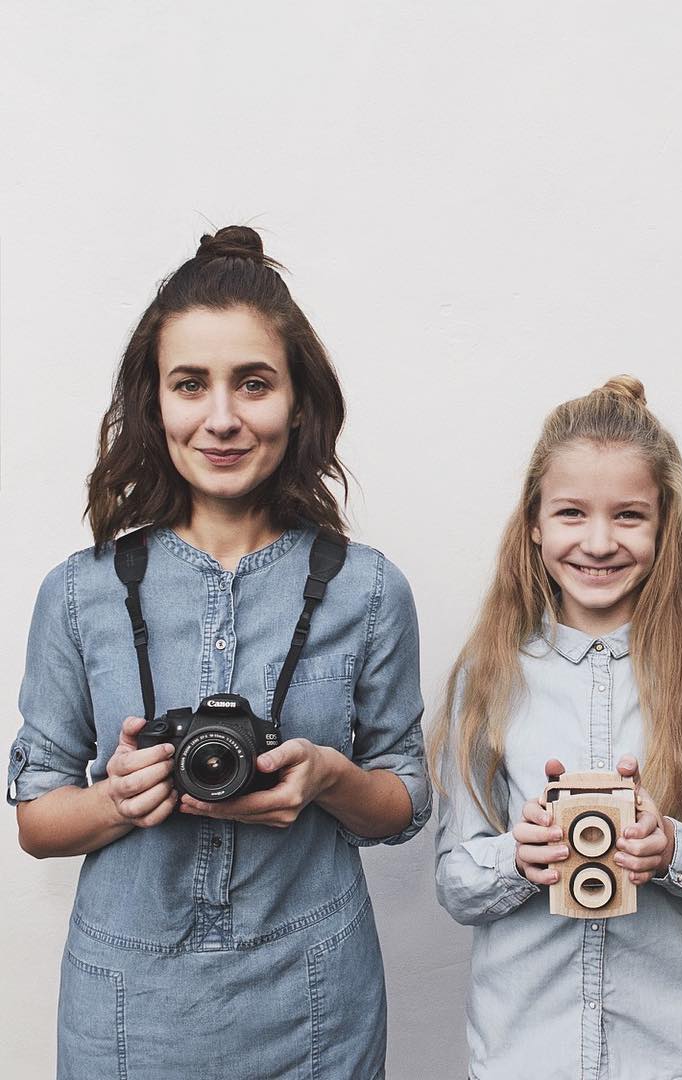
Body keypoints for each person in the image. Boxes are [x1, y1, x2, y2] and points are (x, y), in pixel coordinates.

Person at [7, 226, 430, 1080]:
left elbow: (405, 801)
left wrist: (328, 778)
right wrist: (121, 799)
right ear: (155, 401)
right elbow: (35, 820)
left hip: (316, 996)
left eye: (254, 383)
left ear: (298, 401)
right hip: (126, 1004)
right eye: (191, 385)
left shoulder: (368, 590)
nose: (223, 418)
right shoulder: (81, 593)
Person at [430, 376, 682, 1080]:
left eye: (628, 516)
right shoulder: (488, 671)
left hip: (668, 1056)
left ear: (663, 524)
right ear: (534, 521)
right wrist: (519, 857)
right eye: (571, 513)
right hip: (523, 1055)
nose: (597, 541)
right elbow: (457, 882)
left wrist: (670, 847)